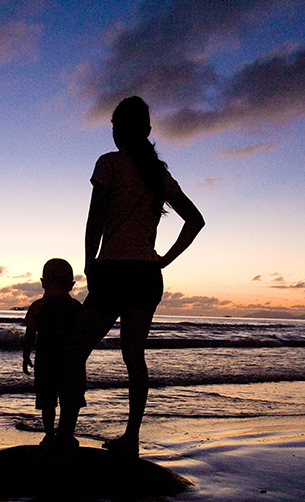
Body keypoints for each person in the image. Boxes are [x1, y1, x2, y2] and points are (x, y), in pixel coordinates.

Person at [58, 95, 205, 458]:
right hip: (146, 275)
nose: (113, 132)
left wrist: (89, 264)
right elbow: (195, 221)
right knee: (133, 357)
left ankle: (65, 434)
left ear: (119, 130)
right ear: (148, 130)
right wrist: (163, 260)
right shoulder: (160, 176)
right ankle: (131, 437)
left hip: (114, 270)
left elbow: (95, 220)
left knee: (75, 351)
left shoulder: (109, 163)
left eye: (114, 126)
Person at [23, 258, 84, 447]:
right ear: (72, 285)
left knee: (47, 400)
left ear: (43, 283)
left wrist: (26, 356)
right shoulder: (76, 307)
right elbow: (85, 335)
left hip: (46, 361)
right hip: (72, 361)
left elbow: (30, 334)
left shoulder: (37, 306)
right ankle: (67, 434)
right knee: (70, 400)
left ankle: (49, 434)